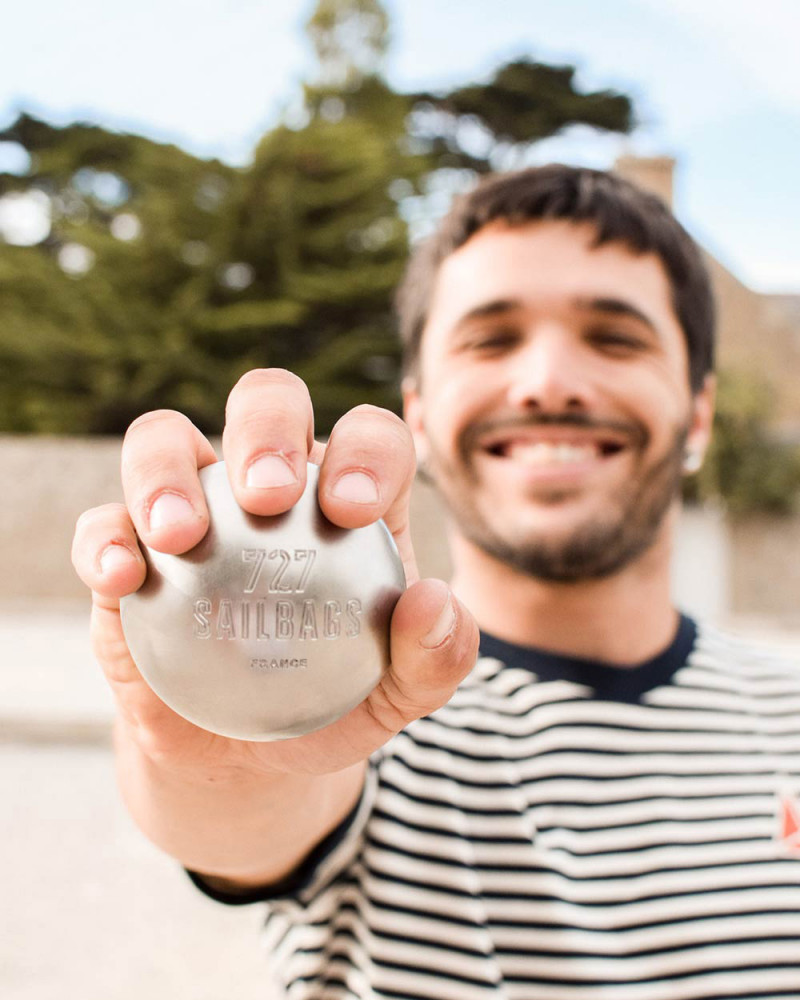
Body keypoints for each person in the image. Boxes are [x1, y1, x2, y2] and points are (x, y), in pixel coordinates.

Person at [72, 165, 800, 999]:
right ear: (416, 413)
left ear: (698, 412)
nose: (547, 382)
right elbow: (246, 815)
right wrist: (234, 742)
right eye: (491, 339)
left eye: (615, 337)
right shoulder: (363, 714)